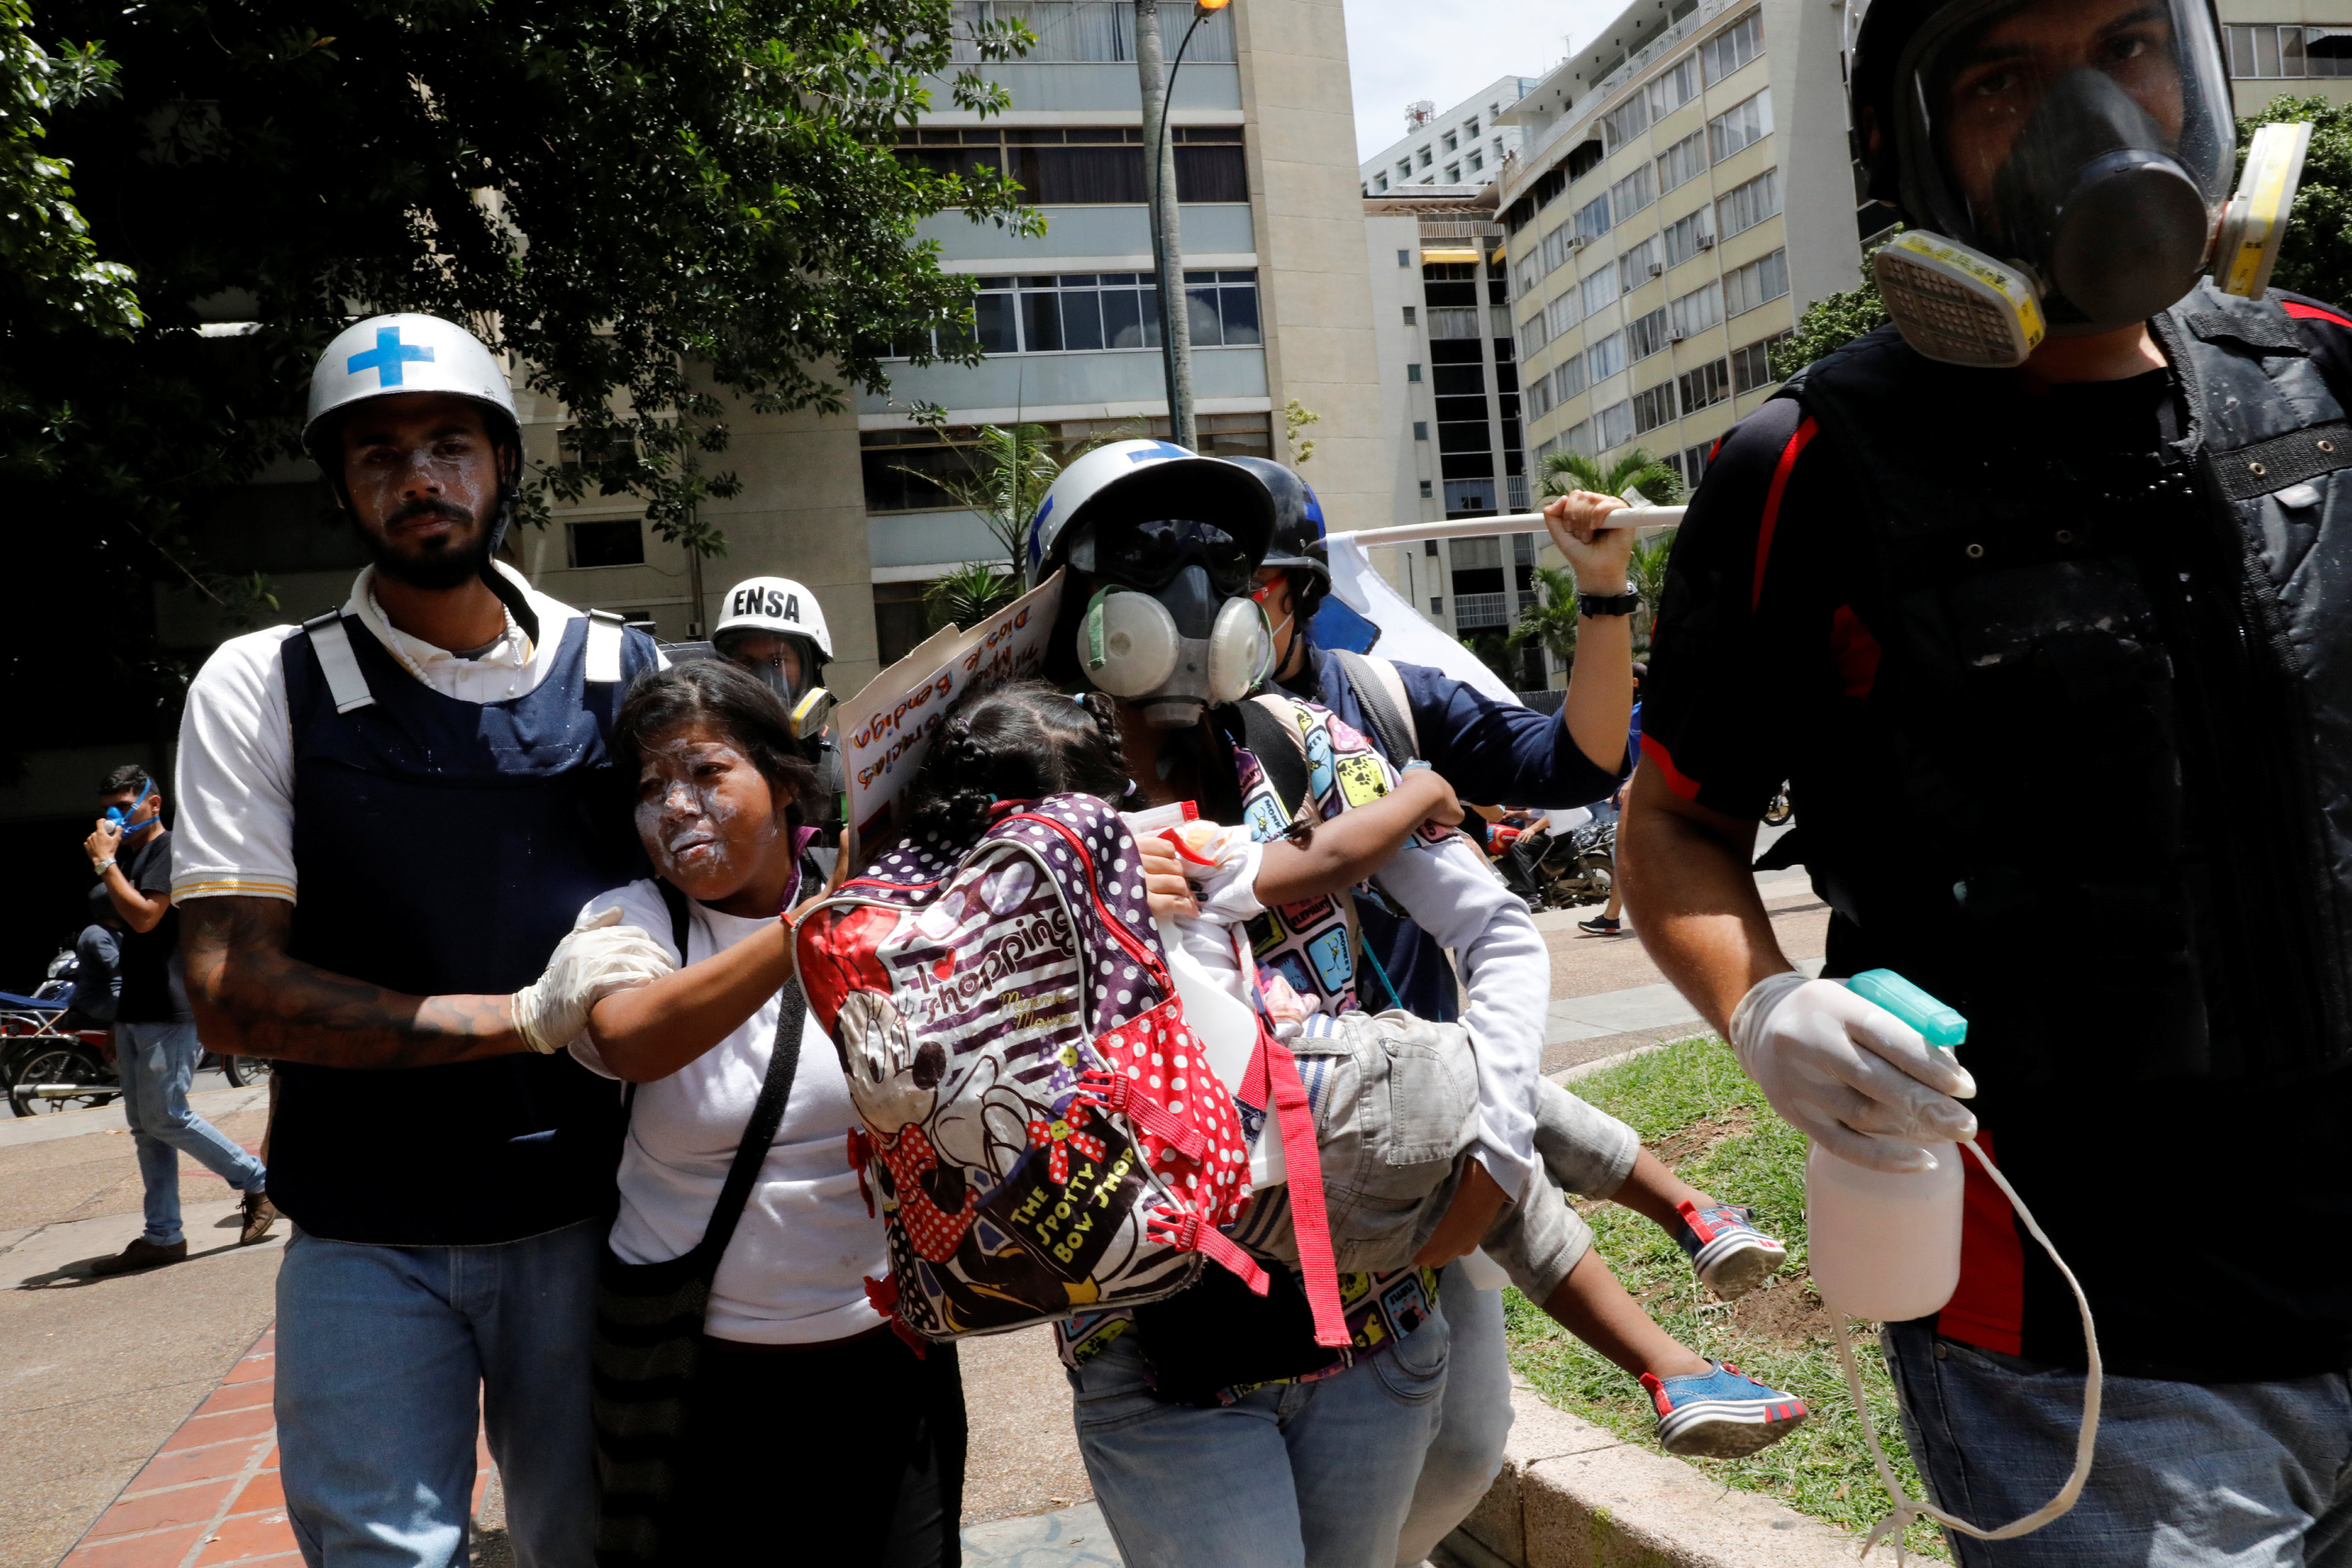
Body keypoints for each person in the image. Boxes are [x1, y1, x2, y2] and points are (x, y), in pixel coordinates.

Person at [1620, 0, 2352, 1559]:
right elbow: (1674, 826)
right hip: (2093, 1357)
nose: (2098, 114)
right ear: (1907, 148)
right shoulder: (1812, 467)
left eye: (2132, 45)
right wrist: (1761, 1007)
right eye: (2006, 81)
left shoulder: (2326, 387)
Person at [916, 681, 1809, 1463]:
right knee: (1483, 1096)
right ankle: (1688, 1233)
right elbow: (1333, 858)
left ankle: (1678, 1364)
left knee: (1493, 1193)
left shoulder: (954, 925)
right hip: (1301, 1100)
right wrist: (1420, 783)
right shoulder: (1150, 852)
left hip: (1222, 1207)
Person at [172, 313, 666, 1568]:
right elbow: (231, 993)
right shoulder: (263, 681)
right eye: (378, 452)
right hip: (364, 1228)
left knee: (599, 1541)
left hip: (596, 1214)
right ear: (342, 484)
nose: (418, 476)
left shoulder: (626, 672)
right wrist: (523, 1015)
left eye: (450, 442)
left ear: (503, 464)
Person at [1236, 460, 1769, 1563]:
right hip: (1247, 1168)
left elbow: (1574, 762)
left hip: (1426, 1131)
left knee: (1467, 1441)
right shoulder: (1101, 761)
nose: (1202, 618)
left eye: (1237, 584)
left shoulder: (1373, 700)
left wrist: (1603, 592)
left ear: (1292, 592)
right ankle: (1675, 1295)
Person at [562, 660, 960, 1566]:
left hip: (888, 1365)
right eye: (652, 785)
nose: (676, 806)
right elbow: (630, 1037)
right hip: (700, 1383)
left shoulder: (888, 904)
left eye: (705, 773)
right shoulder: (631, 919)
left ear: (784, 782)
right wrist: (812, 921)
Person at [81, 765, 273, 1274]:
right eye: (108, 809)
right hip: (138, 1008)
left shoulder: (171, 850)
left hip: (174, 1004)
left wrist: (105, 865)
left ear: (154, 803)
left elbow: (146, 917)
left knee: (167, 1115)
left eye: (124, 806)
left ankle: (259, 1180)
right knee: (146, 1128)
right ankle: (163, 1235)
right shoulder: (130, 854)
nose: (113, 818)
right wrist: (116, 1024)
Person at [710, 574, 845, 881]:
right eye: (745, 662)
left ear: (812, 667)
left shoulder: (838, 767)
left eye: (776, 663)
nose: (761, 679)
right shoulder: (706, 765)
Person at [1579, 663, 1644, 937]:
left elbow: (1655, 751)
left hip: (1649, 796)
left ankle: (1611, 917)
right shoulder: (1628, 714)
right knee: (1626, 856)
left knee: (1626, 856)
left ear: (1635, 683)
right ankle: (1611, 917)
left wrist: (1632, 782)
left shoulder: (1650, 710)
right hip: (1634, 796)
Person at [58, 884, 122, 1037]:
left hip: (115, 994)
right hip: (96, 1000)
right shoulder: (97, 935)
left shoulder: (115, 932)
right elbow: (118, 965)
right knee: (146, 1013)